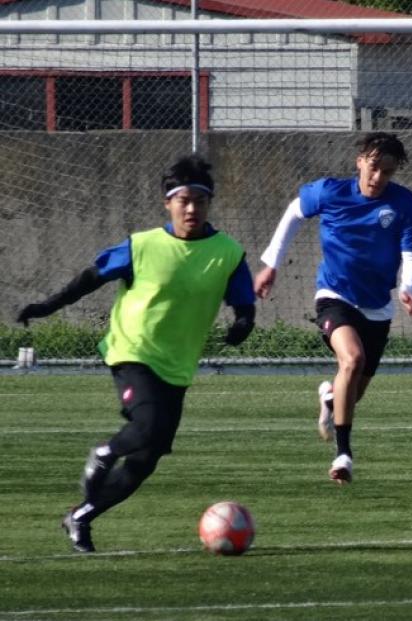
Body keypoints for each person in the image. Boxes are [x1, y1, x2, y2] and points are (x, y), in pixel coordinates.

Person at [16, 155, 256, 552]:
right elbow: (91, 278)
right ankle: (104, 452)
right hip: (133, 352)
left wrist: (242, 325)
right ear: (168, 203)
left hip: (177, 367)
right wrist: (46, 306)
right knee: (145, 427)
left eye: (200, 200)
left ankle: (80, 517)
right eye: (184, 200)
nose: (192, 208)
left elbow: (243, 303)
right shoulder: (142, 246)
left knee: (146, 459)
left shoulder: (227, 253)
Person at [254, 132, 412, 484]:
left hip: (378, 306)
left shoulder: (405, 204)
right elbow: (293, 213)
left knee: (353, 391)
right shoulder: (331, 192)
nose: (377, 178)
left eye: (387, 172)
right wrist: (271, 263)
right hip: (335, 296)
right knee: (352, 359)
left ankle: (330, 398)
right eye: (374, 167)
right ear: (360, 160)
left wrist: (408, 287)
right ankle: (344, 454)